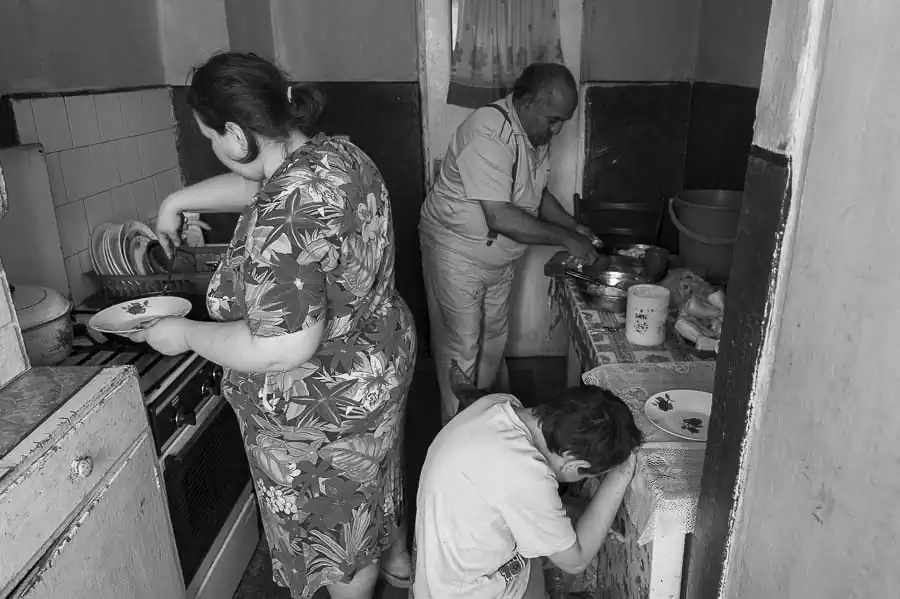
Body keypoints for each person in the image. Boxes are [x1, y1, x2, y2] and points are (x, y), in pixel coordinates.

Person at [127, 52, 416, 599]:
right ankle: (397, 556)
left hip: (323, 411)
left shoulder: (285, 213)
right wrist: (176, 203)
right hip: (377, 362)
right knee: (370, 492)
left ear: (237, 134)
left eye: (211, 136)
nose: (214, 147)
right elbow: (266, 184)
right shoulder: (334, 155)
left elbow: (282, 347)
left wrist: (184, 335)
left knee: (339, 550)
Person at [419, 62, 602, 425]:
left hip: (498, 259)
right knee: (463, 345)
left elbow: (535, 194)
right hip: (457, 252)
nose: (558, 129)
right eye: (553, 119)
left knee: (494, 339)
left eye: (563, 120)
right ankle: (455, 433)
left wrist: (574, 227)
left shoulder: (535, 136)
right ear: (528, 102)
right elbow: (499, 216)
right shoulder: (488, 132)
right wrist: (563, 237)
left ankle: (481, 418)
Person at [412, 384, 643, 599]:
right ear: (572, 464)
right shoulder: (527, 474)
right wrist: (618, 477)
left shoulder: (500, 404)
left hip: (438, 566)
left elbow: (509, 493)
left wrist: (576, 514)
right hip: (468, 591)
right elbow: (576, 560)